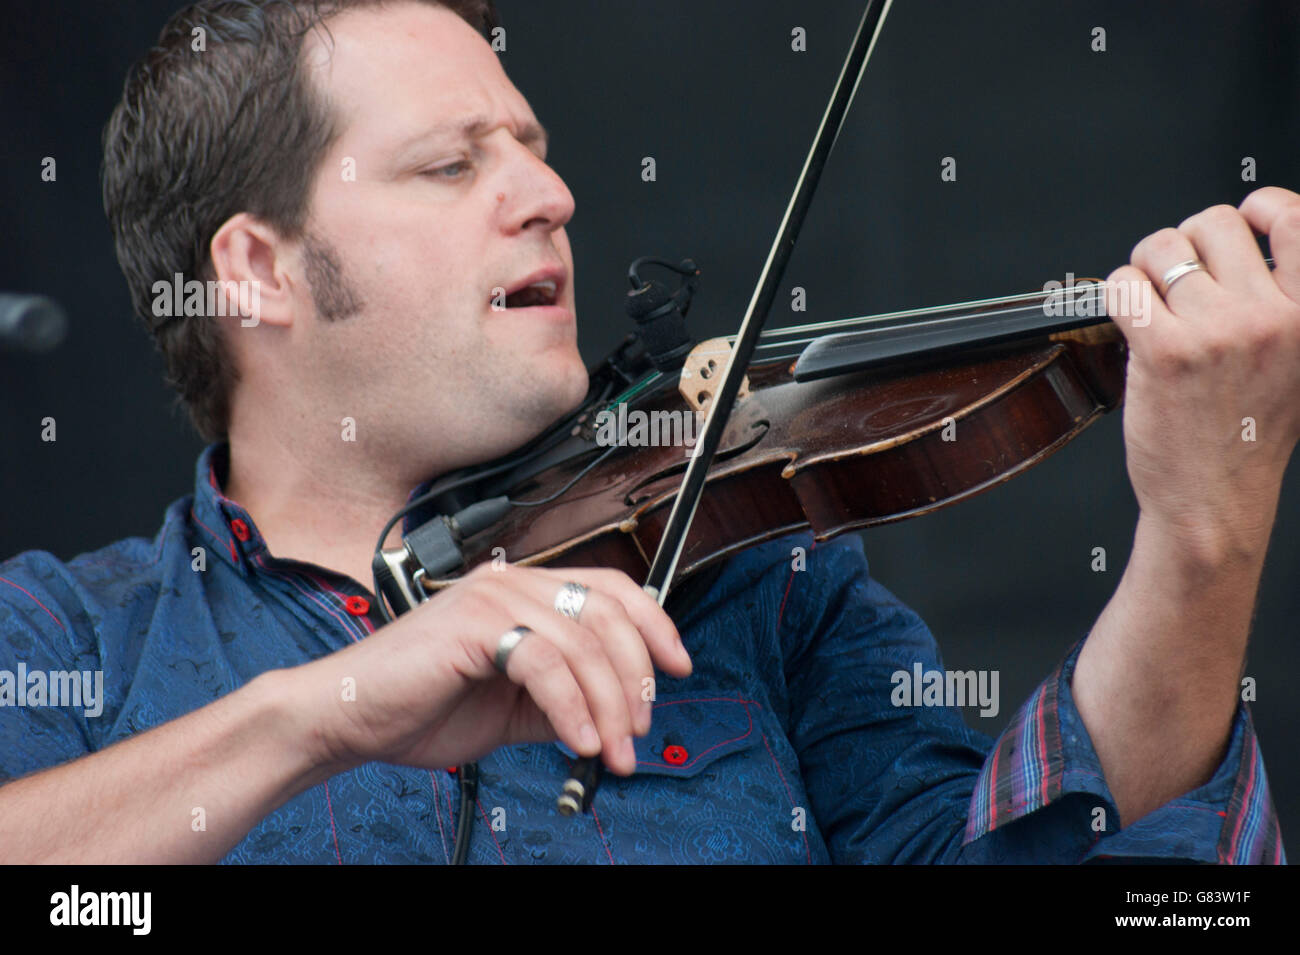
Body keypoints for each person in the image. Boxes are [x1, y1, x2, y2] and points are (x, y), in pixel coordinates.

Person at [0, 0, 1291, 864]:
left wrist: (1201, 539)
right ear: (260, 271)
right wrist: (328, 716)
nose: (551, 195)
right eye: (453, 166)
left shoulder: (761, 597)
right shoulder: (66, 636)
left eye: (534, 149)